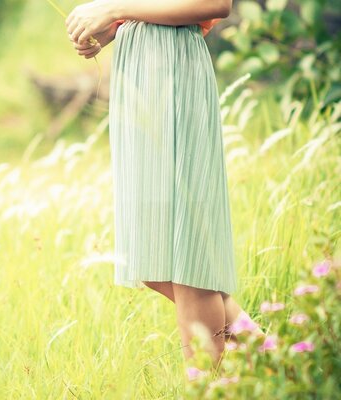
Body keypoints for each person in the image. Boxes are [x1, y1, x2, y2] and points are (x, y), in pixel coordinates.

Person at [64, 0, 264, 369]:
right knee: (154, 260)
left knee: (186, 257)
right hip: (140, 75)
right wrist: (113, 27)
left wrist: (113, 9)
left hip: (173, 74)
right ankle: (276, 359)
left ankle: (209, 388)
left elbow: (214, 3)